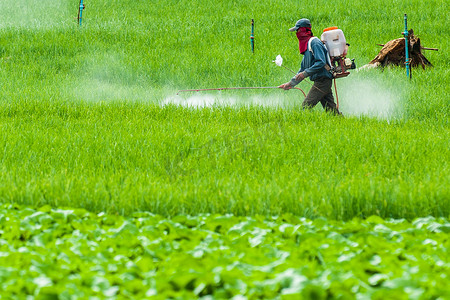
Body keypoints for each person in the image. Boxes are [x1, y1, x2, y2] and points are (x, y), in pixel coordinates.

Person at [279, 18, 341, 115]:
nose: (297, 33)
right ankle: (340, 122)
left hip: (323, 81)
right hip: (321, 81)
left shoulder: (314, 42)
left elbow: (321, 62)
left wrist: (305, 74)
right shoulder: (307, 47)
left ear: (304, 30)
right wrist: (290, 83)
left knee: (306, 107)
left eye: (298, 30)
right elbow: (302, 69)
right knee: (331, 111)